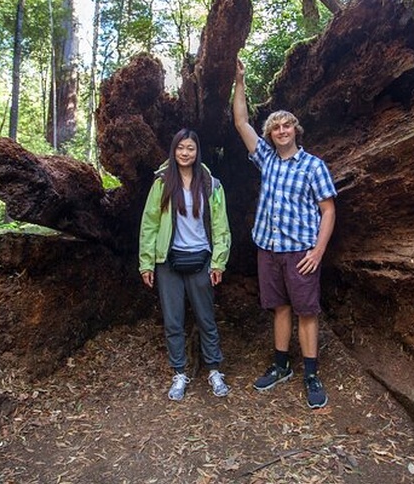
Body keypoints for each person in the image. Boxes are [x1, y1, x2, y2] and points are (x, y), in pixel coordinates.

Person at [233, 59, 337, 409]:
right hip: (268, 247)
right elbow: (240, 121)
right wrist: (240, 81)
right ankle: (281, 366)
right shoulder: (266, 159)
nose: (281, 131)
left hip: (301, 252)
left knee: (306, 311)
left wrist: (318, 252)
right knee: (279, 307)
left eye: (287, 126)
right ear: (270, 134)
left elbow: (328, 210)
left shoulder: (313, 166)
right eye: (276, 127)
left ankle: (311, 374)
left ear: (296, 130)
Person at [138, 128, 232, 401]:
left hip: (201, 258)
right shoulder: (161, 183)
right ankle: (179, 372)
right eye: (180, 147)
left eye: (190, 148)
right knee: (173, 320)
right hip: (169, 260)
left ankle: (214, 369)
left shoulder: (211, 184)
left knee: (206, 317)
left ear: (197, 151)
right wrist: (146, 263)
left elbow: (221, 225)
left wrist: (218, 262)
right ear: (174, 149)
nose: (185, 153)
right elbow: (150, 223)